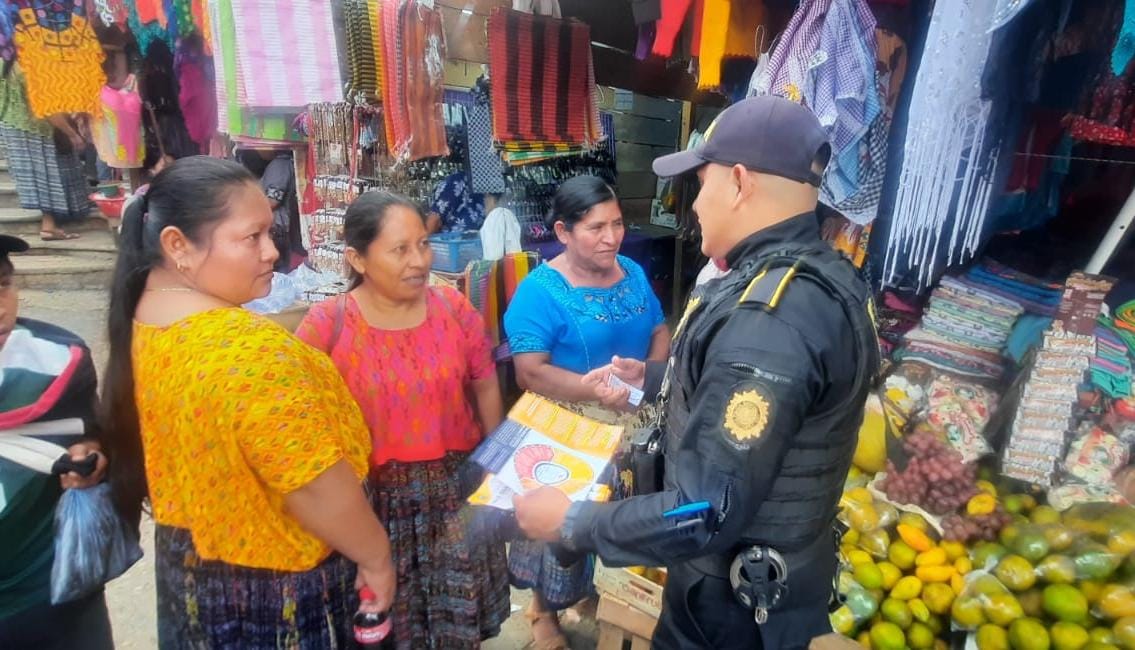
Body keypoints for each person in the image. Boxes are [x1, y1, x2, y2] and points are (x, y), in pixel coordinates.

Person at [512, 96, 880, 649]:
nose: (695, 206)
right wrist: (656, 379)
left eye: (700, 185)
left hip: (733, 612)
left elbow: (706, 508)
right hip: (772, 585)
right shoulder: (825, 274)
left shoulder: (770, 317)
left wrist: (573, 522)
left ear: (738, 182)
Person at [99, 156, 396, 648]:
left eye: (270, 233)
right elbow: (315, 485)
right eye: (251, 237)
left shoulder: (144, 318)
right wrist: (376, 556)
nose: (272, 253)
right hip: (274, 582)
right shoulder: (247, 350)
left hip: (194, 569)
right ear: (178, 246)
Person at [296, 191, 510, 649]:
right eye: (399, 250)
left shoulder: (453, 309)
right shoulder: (325, 325)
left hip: (454, 495)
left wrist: (495, 464)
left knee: (458, 625)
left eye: (423, 244)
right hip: (372, 509)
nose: (418, 260)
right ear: (357, 257)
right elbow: (301, 424)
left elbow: (485, 380)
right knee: (390, 628)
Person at [503, 175, 670, 649]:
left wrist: (650, 378)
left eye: (617, 224)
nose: (612, 237)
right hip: (568, 426)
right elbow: (529, 373)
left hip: (634, 420)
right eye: (596, 228)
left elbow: (659, 328)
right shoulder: (540, 291)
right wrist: (590, 389)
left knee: (616, 517)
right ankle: (544, 610)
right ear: (562, 232)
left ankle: (600, 592)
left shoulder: (632, 272)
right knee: (557, 524)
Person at [0, 235, 113, 650]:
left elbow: (91, 434)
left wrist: (93, 458)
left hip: (51, 585)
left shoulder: (58, 360)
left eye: (3, 285)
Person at [0, 65, 93, 241]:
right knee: (48, 174)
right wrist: (72, 134)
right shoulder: (33, 66)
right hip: (36, 127)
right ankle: (49, 226)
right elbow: (48, 108)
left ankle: (50, 223)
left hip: (11, 124)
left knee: (39, 176)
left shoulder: (5, 63)